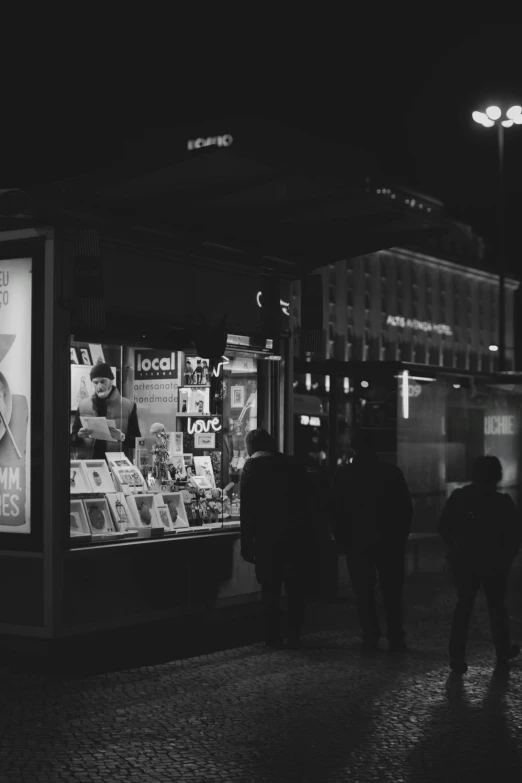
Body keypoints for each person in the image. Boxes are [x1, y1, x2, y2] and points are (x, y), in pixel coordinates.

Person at [330, 428, 413, 652]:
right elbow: (405, 509)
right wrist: (400, 537)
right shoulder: (391, 472)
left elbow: (335, 509)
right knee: (392, 591)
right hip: (388, 541)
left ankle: (370, 633)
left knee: (363, 591)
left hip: (357, 541)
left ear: (353, 449)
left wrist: (341, 538)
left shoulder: (343, 474)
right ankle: (395, 635)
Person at [437, 455, 521, 674]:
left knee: (464, 606)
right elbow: (513, 536)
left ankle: (456, 656)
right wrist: (506, 559)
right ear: (497, 476)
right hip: (494, 562)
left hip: (466, 560)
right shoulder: (502, 502)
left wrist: (456, 547)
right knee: (497, 608)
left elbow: (444, 526)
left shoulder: (460, 497)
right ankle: (503, 652)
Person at [240, 428, 310, 649]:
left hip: (266, 538)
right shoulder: (292, 465)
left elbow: (247, 509)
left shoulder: (252, 467)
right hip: (295, 537)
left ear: (251, 447)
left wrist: (246, 542)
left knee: (270, 589)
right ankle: (295, 633)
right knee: (295, 588)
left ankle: (273, 636)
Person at [71, 363, 141, 460]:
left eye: (103, 381)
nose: (99, 386)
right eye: (95, 382)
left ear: (111, 381)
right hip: (89, 464)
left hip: (117, 465)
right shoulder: (83, 405)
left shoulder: (129, 406)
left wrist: (122, 437)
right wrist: (79, 436)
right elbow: (73, 439)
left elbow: (138, 442)